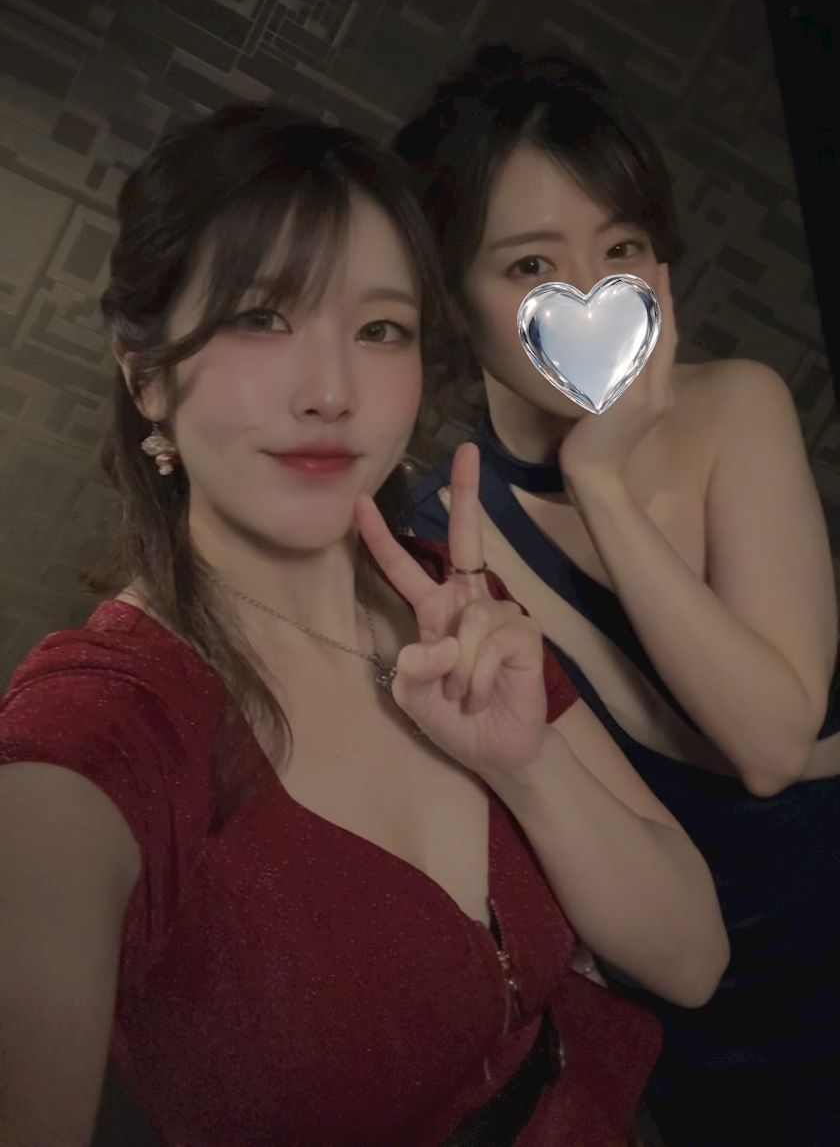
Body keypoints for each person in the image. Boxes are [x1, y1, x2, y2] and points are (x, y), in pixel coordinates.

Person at [0, 104, 728, 1147]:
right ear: (146, 375)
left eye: (380, 328)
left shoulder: (450, 597)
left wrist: (527, 765)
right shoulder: (103, 726)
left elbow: (694, 959)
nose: (333, 391)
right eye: (262, 316)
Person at [398, 43, 840, 1147]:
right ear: (451, 299)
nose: (589, 294)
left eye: (623, 248)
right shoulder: (442, 530)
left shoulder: (736, 406)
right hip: (701, 1008)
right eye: (529, 263)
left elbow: (771, 742)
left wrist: (598, 482)